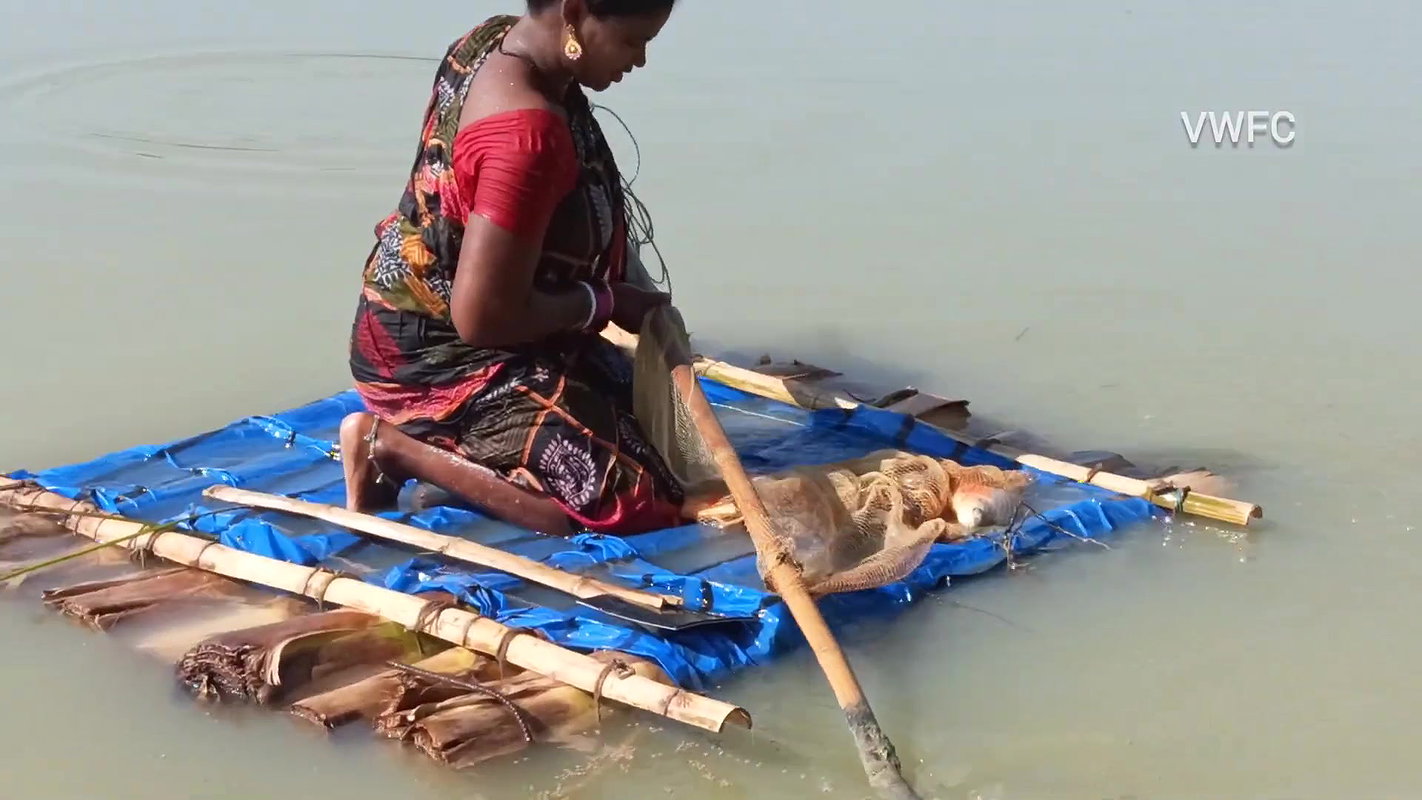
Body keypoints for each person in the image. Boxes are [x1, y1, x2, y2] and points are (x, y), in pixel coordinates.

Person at [341, 0, 686, 537]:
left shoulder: (496, 40)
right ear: (574, 12)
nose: (639, 60)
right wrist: (607, 302)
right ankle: (390, 446)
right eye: (632, 41)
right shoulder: (526, 138)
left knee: (660, 441)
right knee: (631, 501)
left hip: (498, 319)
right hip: (441, 355)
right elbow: (481, 318)